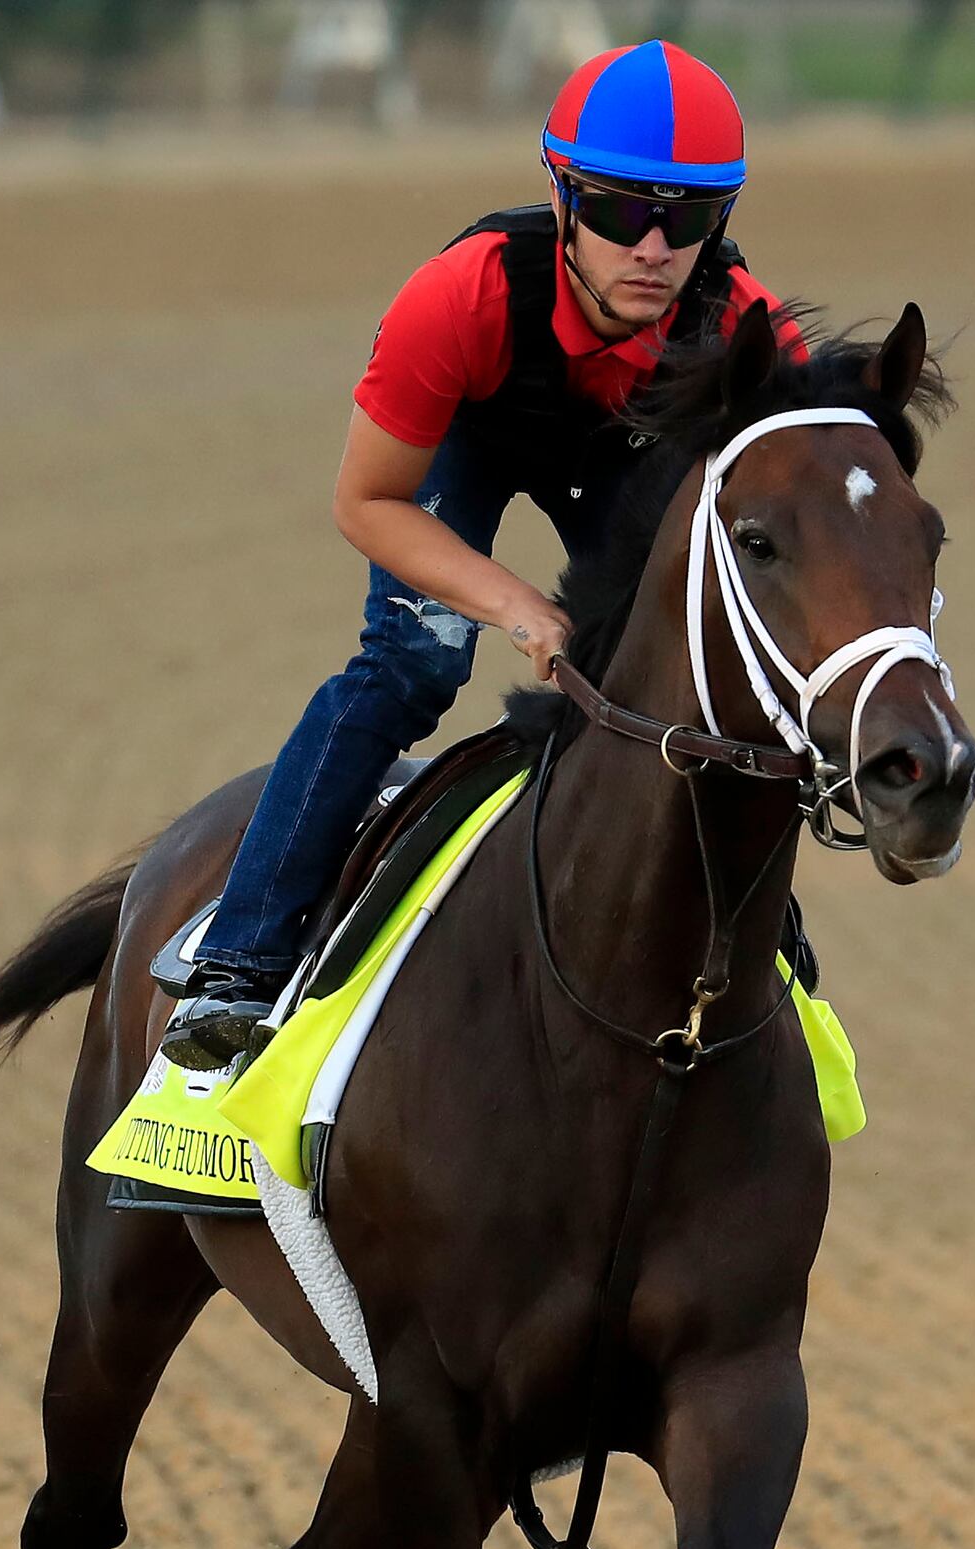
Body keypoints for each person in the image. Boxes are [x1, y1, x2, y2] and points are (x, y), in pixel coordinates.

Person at [161, 39, 802, 1069]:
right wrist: (516, 608)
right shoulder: (459, 297)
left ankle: (762, 941)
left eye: (684, 219)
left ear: (716, 225)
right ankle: (239, 959)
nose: (650, 249)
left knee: (684, 675)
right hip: (473, 425)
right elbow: (366, 501)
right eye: (616, 210)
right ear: (559, 199)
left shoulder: (748, 336)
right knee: (413, 661)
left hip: (631, 452)